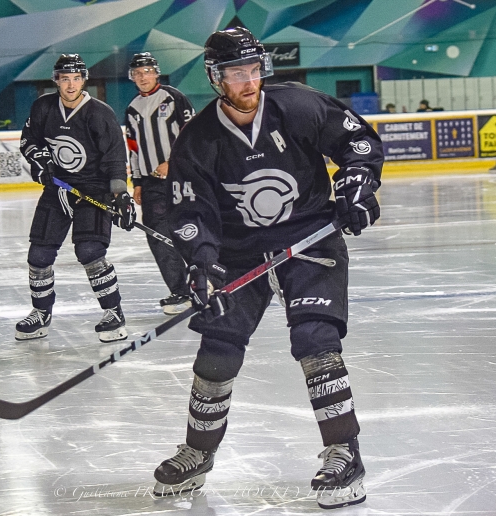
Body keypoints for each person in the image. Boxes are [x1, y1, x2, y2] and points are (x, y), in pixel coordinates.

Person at [152, 27, 383, 509]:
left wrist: (358, 184)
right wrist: (201, 263)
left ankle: (344, 452)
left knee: (316, 341)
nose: (248, 81)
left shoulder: (298, 105)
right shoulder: (198, 139)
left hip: (309, 237)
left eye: (254, 69)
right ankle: (198, 453)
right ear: (216, 79)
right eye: (236, 73)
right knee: (217, 351)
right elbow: (192, 211)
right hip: (240, 253)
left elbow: (357, 142)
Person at [16, 54, 136, 343]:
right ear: (56, 80)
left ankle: (113, 313)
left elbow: (115, 159)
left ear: (84, 80)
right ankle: (41, 313)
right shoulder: (43, 107)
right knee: (39, 255)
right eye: (65, 78)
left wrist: (120, 196)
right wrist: (40, 160)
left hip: (93, 190)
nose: (70, 85)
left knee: (90, 252)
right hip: (58, 188)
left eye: (76, 78)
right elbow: (28, 140)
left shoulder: (100, 113)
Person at [125, 52, 196, 315]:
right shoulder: (132, 108)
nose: (142, 77)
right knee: (158, 237)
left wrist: (172, 162)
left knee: (190, 231)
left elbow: (192, 134)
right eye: (137, 73)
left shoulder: (174, 98)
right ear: (132, 77)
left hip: (183, 178)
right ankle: (179, 291)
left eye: (146, 71)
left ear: (156, 73)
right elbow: (133, 148)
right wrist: (138, 182)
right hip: (152, 185)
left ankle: (205, 282)